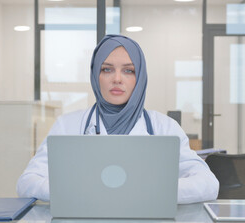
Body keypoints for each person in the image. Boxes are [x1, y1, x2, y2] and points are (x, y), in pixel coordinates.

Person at [17, 34, 219, 204]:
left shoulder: (164, 127)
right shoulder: (67, 125)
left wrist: (150, 192)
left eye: (128, 70)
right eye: (107, 69)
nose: (117, 79)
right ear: (96, 76)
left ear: (139, 78)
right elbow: (27, 182)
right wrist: (76, 191)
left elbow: (208, 184)